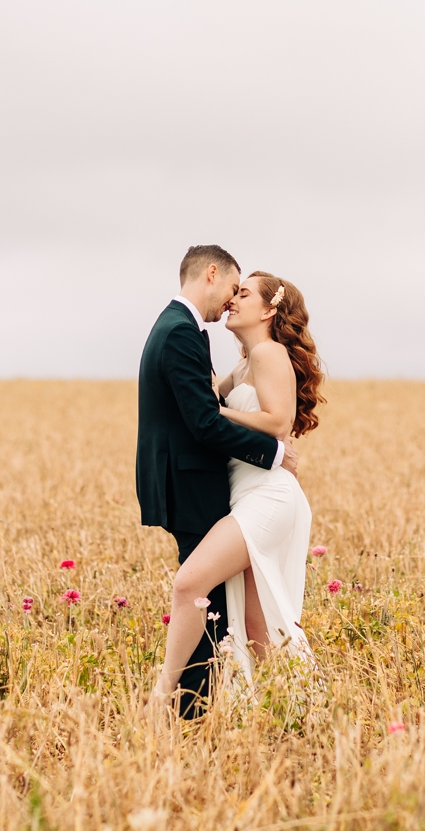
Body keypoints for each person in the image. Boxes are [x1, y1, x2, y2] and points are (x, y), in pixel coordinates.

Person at [148, 267, 324, 709]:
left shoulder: (268, 354)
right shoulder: (245, 362)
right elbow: (206, 401)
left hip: (268, 494)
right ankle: (297, 714)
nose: (232, 301)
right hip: (247, 492)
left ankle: (159, 698)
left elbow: (277, 424)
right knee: (258, 622)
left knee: (190, 583)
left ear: (269, 309)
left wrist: (220, 414)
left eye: (243, 294)